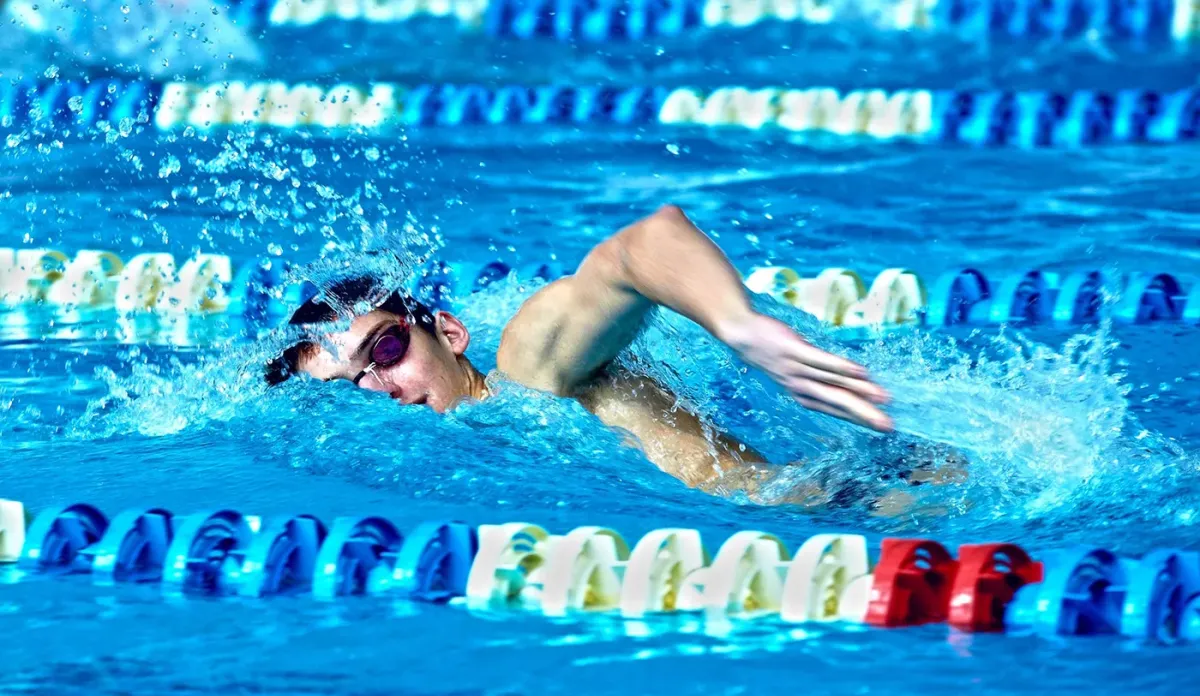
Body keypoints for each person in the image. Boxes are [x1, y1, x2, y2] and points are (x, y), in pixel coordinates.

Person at [265, 204, 901, 501]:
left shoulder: (527, 369)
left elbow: (640, 247)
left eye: (389, 348)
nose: (382, 388)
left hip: (865, 504)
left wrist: (738, 325)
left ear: (451, 335)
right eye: (353, 386)